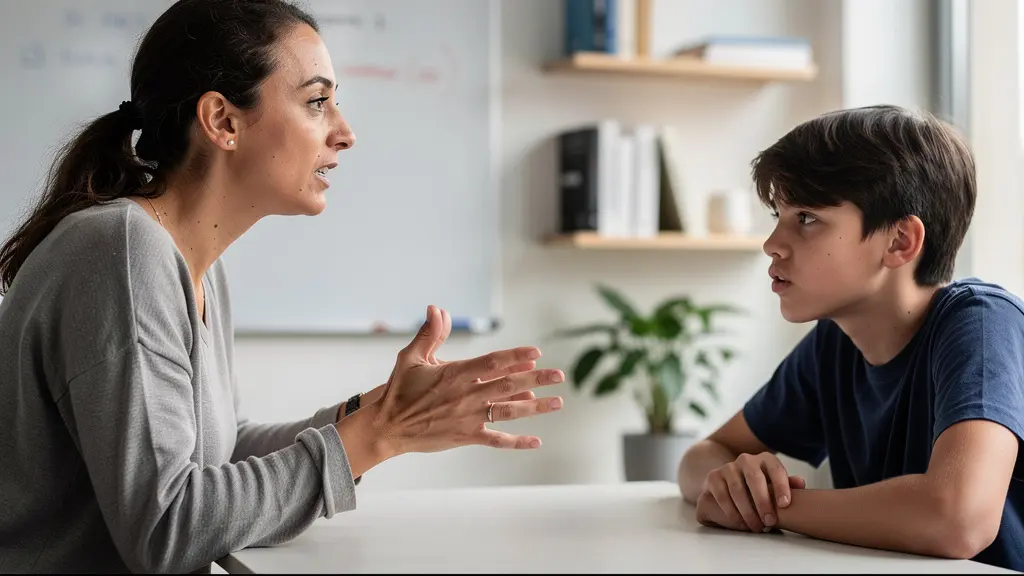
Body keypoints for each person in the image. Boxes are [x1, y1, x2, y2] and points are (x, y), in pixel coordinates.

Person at [0, 1, 565, 573]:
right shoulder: (122, 250)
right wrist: (380, 433)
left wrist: (378, 410)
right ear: (222, 121)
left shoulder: (193, 264)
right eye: (318, 102)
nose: (345, 133)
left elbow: (220, 456)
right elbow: (167, 527)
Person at [676, 105, 1024, 572]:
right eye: (779, 215)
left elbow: (959, 519)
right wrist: (734, 484)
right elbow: (703, 457)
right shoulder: (835, 341)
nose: (772, 243)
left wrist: (773, 507)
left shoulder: (981, 324)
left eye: (806, 218)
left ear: (900, 241)